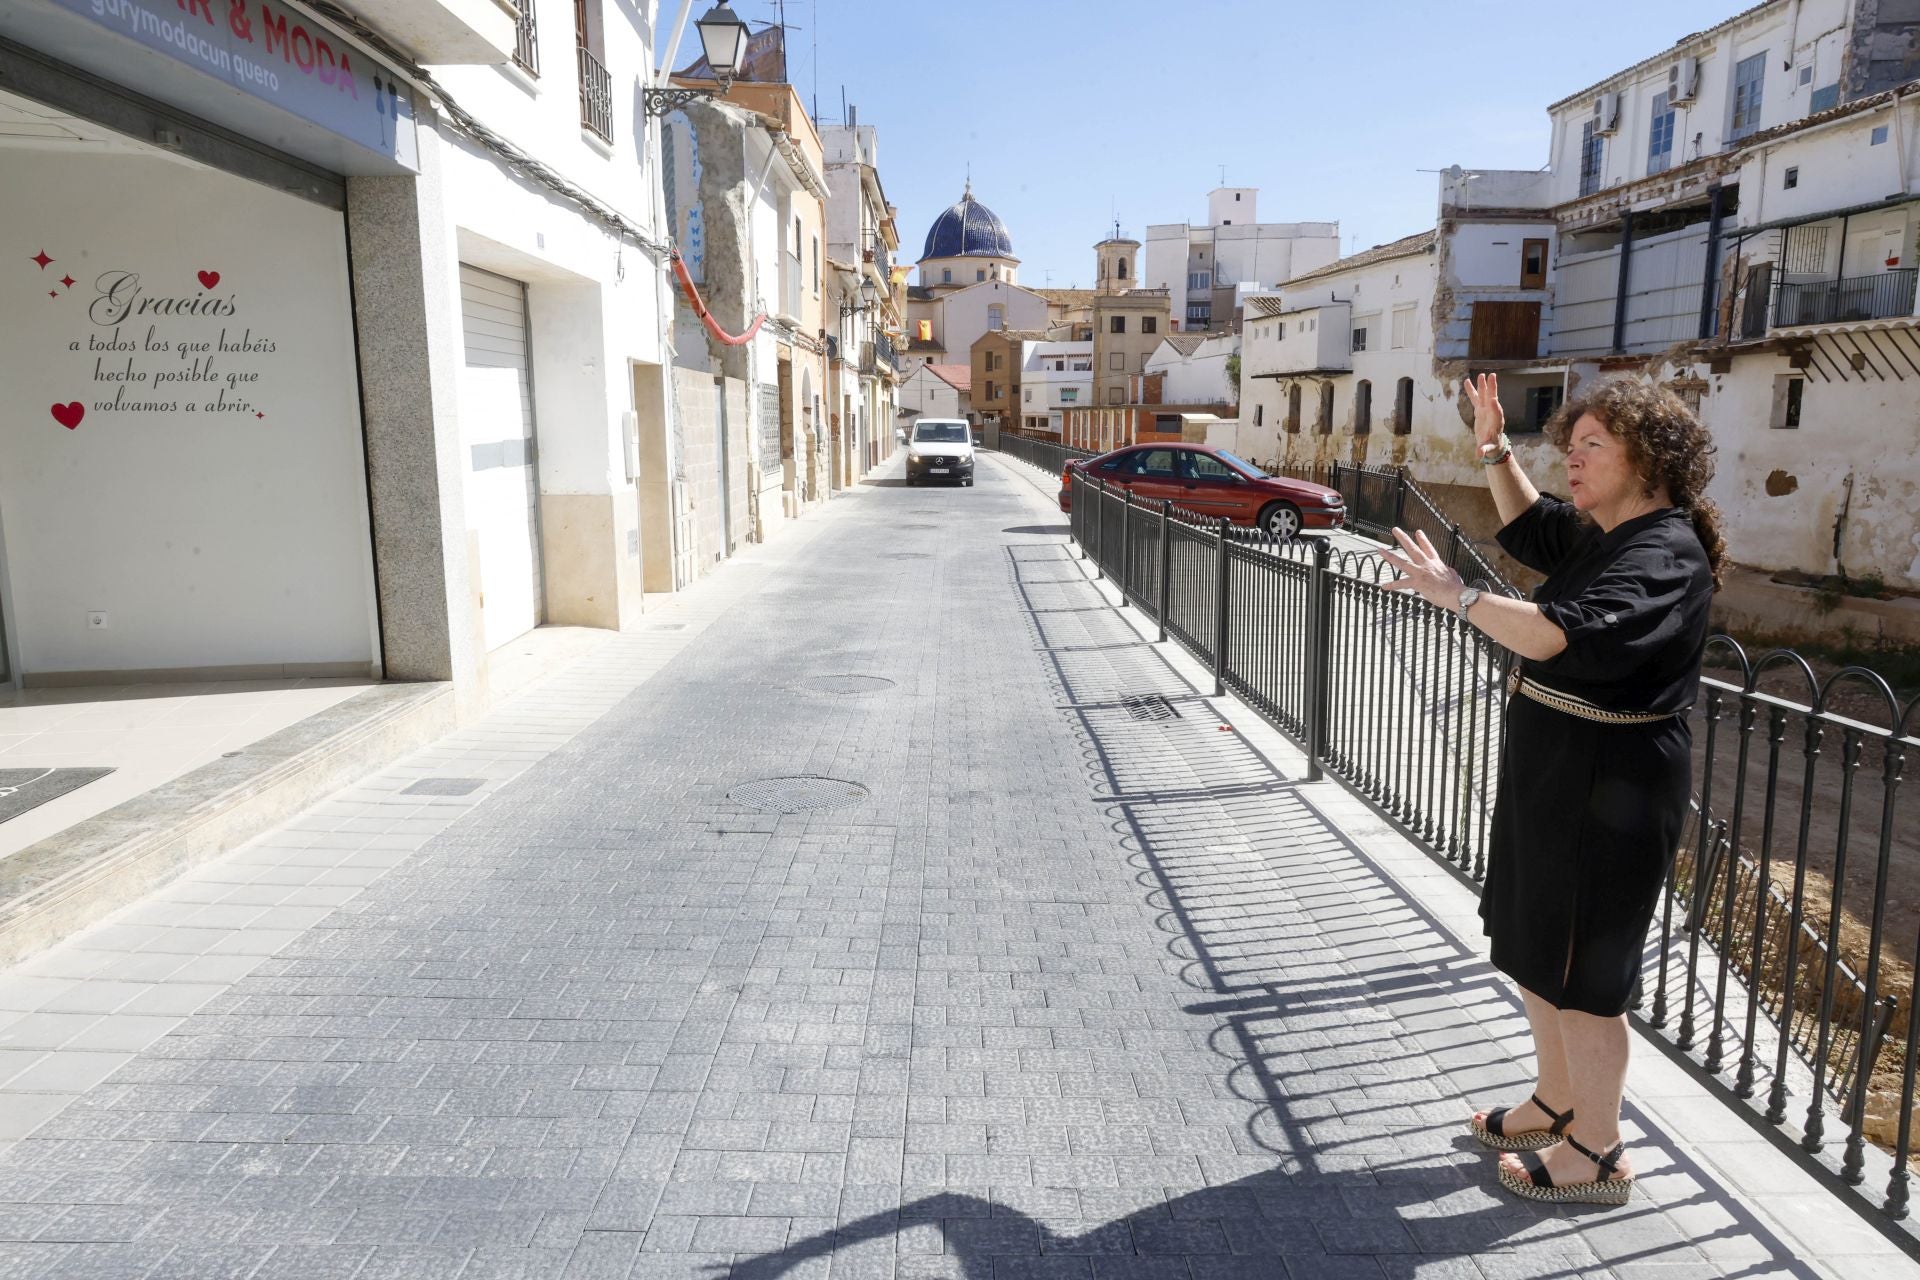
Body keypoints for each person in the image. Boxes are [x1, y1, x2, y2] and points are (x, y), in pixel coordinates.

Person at [1378, 373, 1723, 1206]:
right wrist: (1494, 445)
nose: (1573, 460)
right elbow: (1532, 527)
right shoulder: (1608, 531)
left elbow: (1556, 635)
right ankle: (1557, 1100)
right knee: (1539, 949)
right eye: (1570, 447)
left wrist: (1458, 597)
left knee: (1587, 978)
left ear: (1651, 459)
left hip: (1611, 789)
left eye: (1593, 447)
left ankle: (1599, 1154)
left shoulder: (1663, 554)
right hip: (1559, 776)